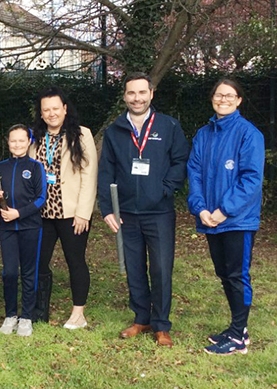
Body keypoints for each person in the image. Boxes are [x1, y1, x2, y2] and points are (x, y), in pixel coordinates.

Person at [98, 72, 189, 347]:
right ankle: (141, 318)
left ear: (151, 93)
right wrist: (107, 209)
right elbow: (106, 172)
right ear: (125, 96)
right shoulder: (115, 131)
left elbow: (180, 161)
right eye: (131, 93)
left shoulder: (169, 126)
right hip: (125, 213)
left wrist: (165, 189)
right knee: (135, 268)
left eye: (141, 92)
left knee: (161, 269)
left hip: (159, 213)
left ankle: (161, 325)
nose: (136, 98)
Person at [187, 79, 264, 355]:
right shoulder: (203, 134)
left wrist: (223, 210)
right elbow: (194, 173)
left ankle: (238, 337)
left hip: (237, 220)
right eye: (219, 95)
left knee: (236, 275)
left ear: (239, 100)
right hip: (210, 218)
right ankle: (236, 328)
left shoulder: (249, 134)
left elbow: (251, 180)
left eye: (230, 95)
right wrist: (201, 208)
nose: (223, 99)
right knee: (224, 274)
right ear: (212, 98)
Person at [29, 87, 98, 329]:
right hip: (42, 214)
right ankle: (39, 311)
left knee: (75, 261)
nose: (51, 113)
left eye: (55, 108)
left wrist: (83, 212)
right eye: (46, 109)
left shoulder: (82, 135)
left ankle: (78, 313)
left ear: (65, 109)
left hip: (72, 214)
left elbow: (89, 175)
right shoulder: (36, 137)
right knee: (38, 261)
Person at [0, 124, 46, 337]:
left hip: (30, 226)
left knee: (28, 272)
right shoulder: (0, 167)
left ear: (29, 142)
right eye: (13, 140)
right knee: (9, 272)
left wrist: (19, 213)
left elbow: (42, 198)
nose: (17, 144)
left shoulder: (35, 167)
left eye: (21, 140)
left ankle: (26, 317)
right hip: (7, 228)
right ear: (8, 142)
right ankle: (10, 315)